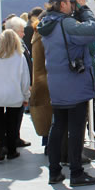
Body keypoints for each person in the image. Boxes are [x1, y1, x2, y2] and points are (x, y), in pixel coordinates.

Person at [37, 0, 95, 187]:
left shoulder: (46, 24)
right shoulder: (66, 24)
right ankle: (76, 173)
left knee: (57, 128)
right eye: (69, 2)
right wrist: (84, 8)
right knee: (76, 129)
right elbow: (93, 30)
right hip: (74, 85)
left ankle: (54, 172)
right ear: (63, 4)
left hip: (56, 85)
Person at [0, 29, 31, 162]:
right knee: (12, 122)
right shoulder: (19, 56)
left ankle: (1, 146)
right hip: (14, 94)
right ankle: (11, 150)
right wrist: (26, 96)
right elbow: (25, 79)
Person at [4, 16, 32, 148]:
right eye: (22, 30)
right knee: (13, 116)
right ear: (14, 31)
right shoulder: (13, 48)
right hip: (16, 87)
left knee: (16, 115)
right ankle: (12, 141)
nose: (24, 33)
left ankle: (14, 138)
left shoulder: (19, 44)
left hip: (17, 86)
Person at [29, 11, 53, 152]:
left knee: (46, 115)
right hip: (47, 80)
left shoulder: (36, 35)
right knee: (51, 116)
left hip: (40, 81)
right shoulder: (44, 37)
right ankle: (51, 146)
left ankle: (48, 144)